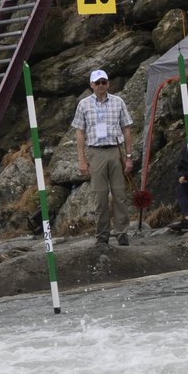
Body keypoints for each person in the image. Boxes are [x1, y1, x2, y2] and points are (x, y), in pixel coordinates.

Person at [71, 68, 135, 246]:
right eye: (97, 82)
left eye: (104, 82)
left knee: (119, 194)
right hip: (96, 151)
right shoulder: (83, 104)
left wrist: (129, 157)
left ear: (108, 83)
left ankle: (122, 232)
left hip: (115, 149)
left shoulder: (118, 102)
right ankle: (102, 235)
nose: (101, 85)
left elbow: (127, 129)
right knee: (100, 196)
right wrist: (82, 160)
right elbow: (80, 133)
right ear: (91, 85)